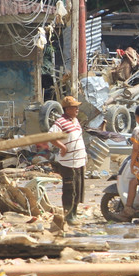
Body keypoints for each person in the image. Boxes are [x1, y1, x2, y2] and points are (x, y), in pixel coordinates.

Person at [49, 96, 87, 225]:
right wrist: (63, 147)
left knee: (78, 189)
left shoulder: (75, 121)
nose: (77, 109)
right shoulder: (60, 122)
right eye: (74, 107)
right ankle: (68, 215)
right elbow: (51, 136)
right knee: (70, 189)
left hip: (79, 161)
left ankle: (74, 213)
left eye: (77, 106)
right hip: (68, 162)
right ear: (67, 109)